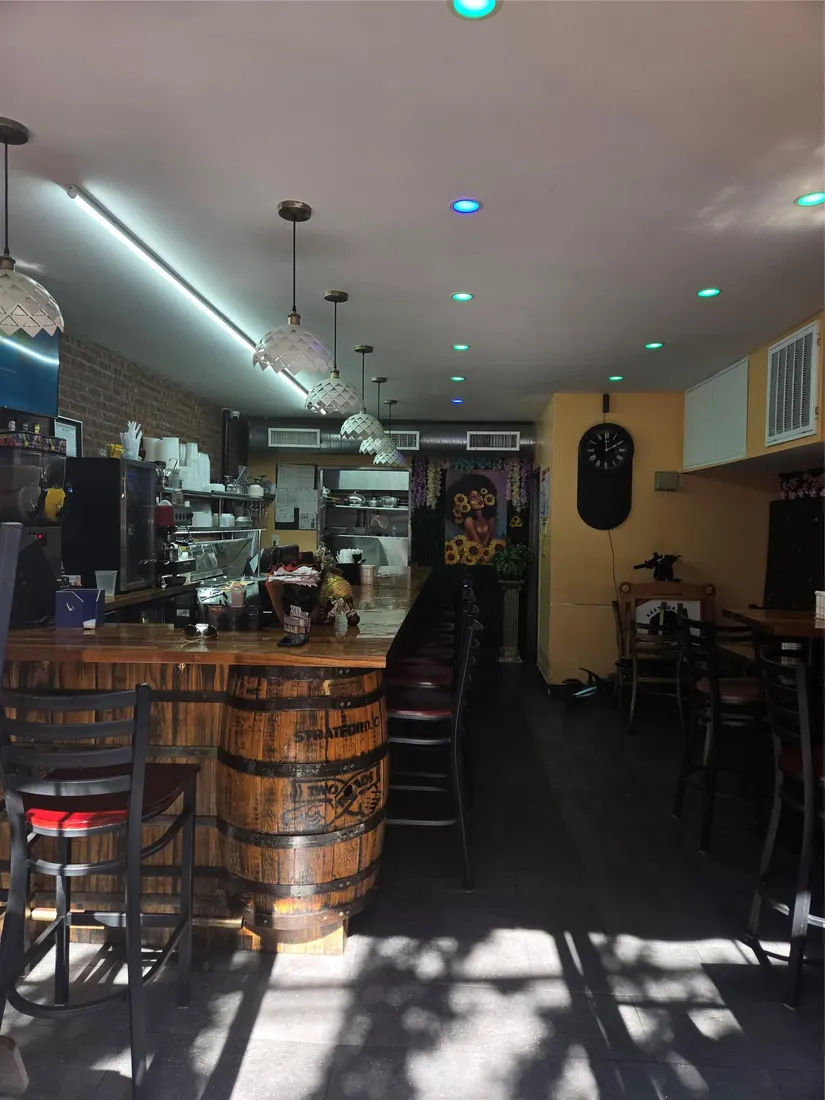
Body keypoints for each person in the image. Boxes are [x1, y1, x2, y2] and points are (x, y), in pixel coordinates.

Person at [450, 473, 498, 547]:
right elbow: (479, 546)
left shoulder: (490, 519)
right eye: (473, 498)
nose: (478, 498)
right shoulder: (469, 521)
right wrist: (490, 530)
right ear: (467, 503)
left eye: (479, 495)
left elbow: (493, 545)